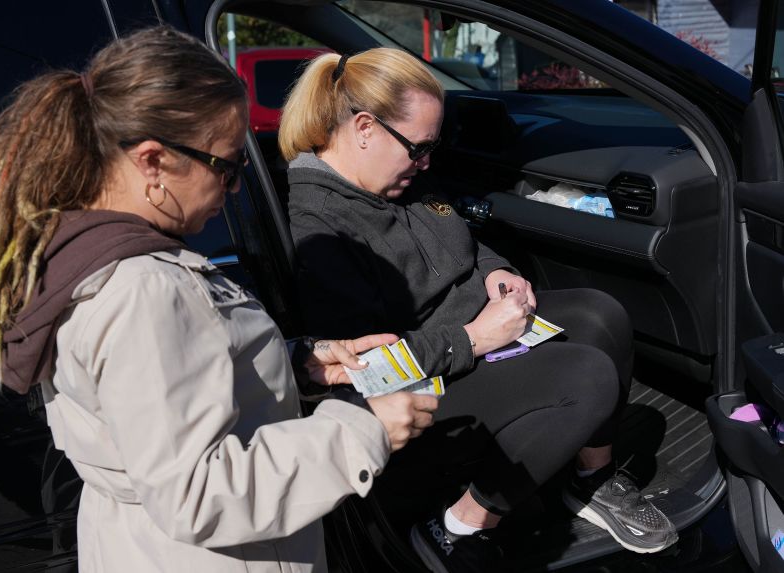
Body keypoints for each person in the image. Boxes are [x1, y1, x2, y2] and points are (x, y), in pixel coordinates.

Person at [0, 28, 438, 572]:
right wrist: (364, 431)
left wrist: (294, 362)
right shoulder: (146, 290)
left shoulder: (65, 247)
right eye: (227, 166)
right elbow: (201, 492)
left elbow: (151, 397)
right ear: (153, 162)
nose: (233, 188)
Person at [279, 48, 678, 571]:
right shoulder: (322, 227)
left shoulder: (400, 175)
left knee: (603, 315)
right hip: (422, 387)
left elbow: (456, 238)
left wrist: (495, 271)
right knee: (588, 375)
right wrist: (475, 338)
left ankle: (590, 481)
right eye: (418, 149)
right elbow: (364, 368)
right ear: (364, 128)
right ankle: (456, 528)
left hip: (470, 336)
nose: (426, 163)